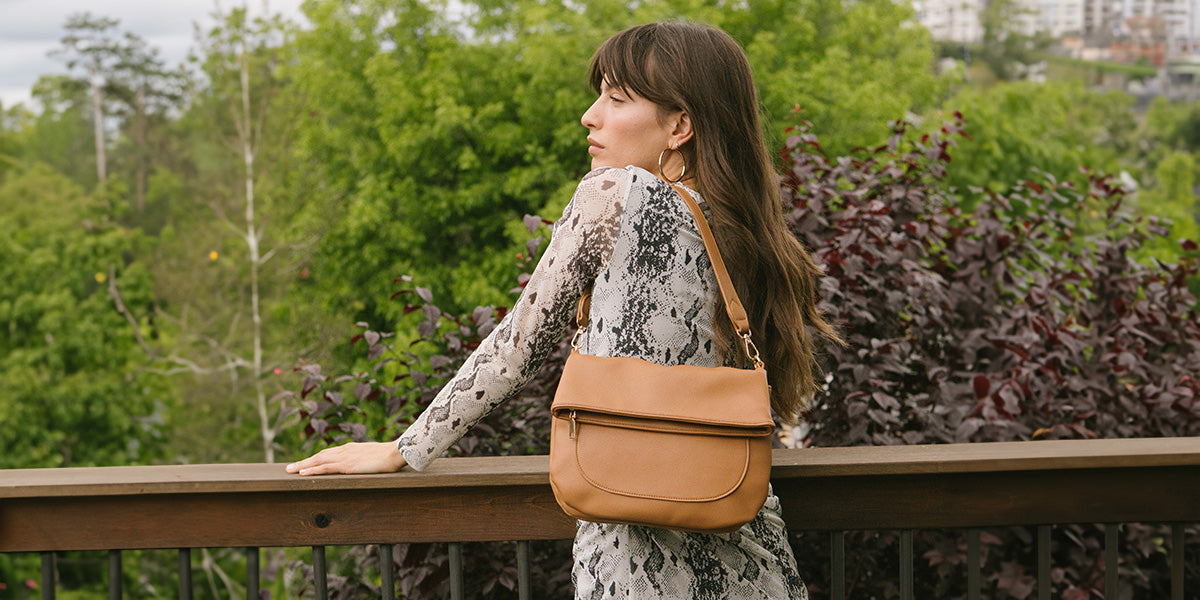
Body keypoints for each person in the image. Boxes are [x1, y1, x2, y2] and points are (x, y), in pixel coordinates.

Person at [287, 21, 839, 599]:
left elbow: (520, 342)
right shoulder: (746, 226)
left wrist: (406, 449)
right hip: (749, 548)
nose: (590, 116)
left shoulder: (616, 192)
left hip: (636, 556)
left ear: (680, 126)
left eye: (616, 98)